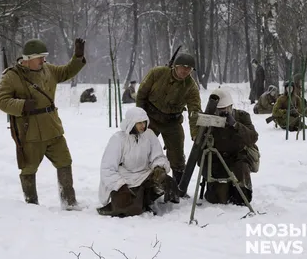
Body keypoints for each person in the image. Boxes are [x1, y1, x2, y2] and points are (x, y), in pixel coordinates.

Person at [0, 38, 86, 210]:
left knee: (65, 161)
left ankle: (69, 202)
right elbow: (2, 101)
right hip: (30, 131)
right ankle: (31, 205)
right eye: (40, 58)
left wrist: (78, 57)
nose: (43, 61)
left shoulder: (48, 70)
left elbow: (66, 72)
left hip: (52, 127)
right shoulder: (12, 76)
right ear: (28, 58)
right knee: (29, 169)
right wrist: (22, 105)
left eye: (44, 57)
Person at [97, 107, 179, 217]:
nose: (143, 126)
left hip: (143, 175)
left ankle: (145, 200)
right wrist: (120, 186)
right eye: (139, 123)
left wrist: (159, 168)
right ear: (131, 123)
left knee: (166, 182)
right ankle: (134, 203)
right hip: (124, 179)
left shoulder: (149, 135)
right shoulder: (118, 139)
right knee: (127, 206)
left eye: (144, 122)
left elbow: (157, 155)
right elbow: (107, 168)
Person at [136, 53, 202, 186]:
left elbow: (194, 111)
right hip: (150, 118)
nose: (185, 71)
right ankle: (139, 182)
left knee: (177, 155)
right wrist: (140, 119)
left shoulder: (191, 87)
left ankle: (178, 187)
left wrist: (196, 133)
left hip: (172, 121)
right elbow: (141, 95)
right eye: (182, 67)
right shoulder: (157, 73)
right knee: (141, 149)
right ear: (175, 66)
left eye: (189, 68)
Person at [200, 88, 258, 205]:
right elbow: (200, 146)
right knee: (218, 199)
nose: (222, 112)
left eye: (225, 109)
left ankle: (238, 187)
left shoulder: (242, 116)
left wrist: (236, 125)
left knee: (242, 198)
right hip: (218, 160)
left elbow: (252, 138)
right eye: (219, 110)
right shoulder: (208, 119)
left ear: (231, 106)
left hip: (238, 158)